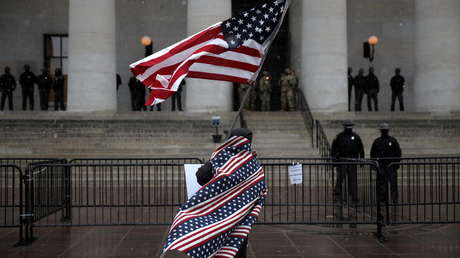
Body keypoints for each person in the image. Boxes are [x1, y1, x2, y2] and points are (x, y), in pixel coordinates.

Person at [162, 128, 264, 258]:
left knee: (202, 232)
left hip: (213, 212)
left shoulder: (222, 158)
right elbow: (260, 190)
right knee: (236, 244)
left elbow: (201, 176)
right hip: (239, 216)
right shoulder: (255, 165)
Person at [331, 120, 365, 205]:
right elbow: (334, 149)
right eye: (347, 126)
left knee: (353, 180)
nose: (348, 127)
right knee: (339, 179)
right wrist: (334, 161)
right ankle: (337, 196)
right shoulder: (339, 136)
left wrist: (361, 160)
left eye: (350, 126)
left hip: (352, 160)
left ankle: (354, 197)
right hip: (342, 160)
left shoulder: (356, 136)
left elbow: (361, 148)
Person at [370, 123, 402, 208]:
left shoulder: (393, 141)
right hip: (381, 165)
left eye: (385, 130)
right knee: (381, 184)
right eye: (383, 130)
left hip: (391, 165)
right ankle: (382, 199)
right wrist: (374, 165)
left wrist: (396, 164)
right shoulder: (377, 141)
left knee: (393, 183)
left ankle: (394, 199)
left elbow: (398, 152)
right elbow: (373, 154)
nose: (384, 131)